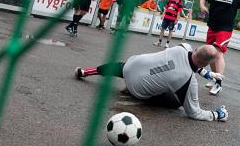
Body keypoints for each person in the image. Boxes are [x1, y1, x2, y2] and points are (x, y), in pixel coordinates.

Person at [74, 43, 228, 122]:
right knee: (177, 102)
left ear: (196, 49)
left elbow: (191, 61)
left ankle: (85, 71)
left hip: (131, 66)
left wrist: (208, 74)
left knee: (123, 66)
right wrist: (216, 115)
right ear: (204, 64)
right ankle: (131, 90)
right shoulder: (188, 81)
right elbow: (194, 113)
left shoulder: (183, 47)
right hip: (138, 90)